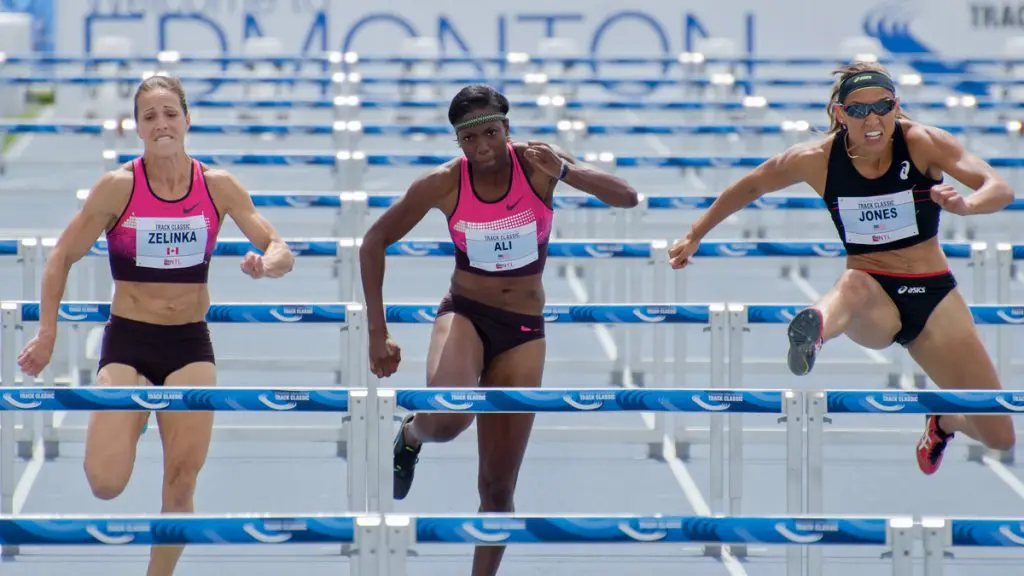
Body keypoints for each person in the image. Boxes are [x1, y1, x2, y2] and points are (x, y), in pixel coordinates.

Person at [668, 62, 1016, 476]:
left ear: (896, 107)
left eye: (882, 107)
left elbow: (1000, 187)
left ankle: (944, 420)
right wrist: (695, 234)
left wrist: (967, 205)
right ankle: (815, 329)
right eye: (858, 110)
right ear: (839, 114)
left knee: (1000, 437)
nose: (872, 120)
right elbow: (752, 185)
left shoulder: (923, 143)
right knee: (853, 284)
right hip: (872, 297)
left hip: (933, 295)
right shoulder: (817, 159)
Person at [17, 74, 295, 575]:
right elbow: (60, 257)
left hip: (189, 345)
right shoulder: (119, 188)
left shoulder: (218, 186)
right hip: (128, 341)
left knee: (181, 481)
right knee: (105, 482)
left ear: (188, 120)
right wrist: (48, 334)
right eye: (150, 116)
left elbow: (279, 247)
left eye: (171, 114)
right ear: (138, 129)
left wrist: (266, 263)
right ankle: (136, 414)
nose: (162, 124)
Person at [359, 84, 639, 575]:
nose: (482, 147)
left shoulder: (539, 165)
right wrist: (376, 333)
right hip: (465, 312)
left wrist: (566, 171)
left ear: (507, 129)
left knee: (497, 487)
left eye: (491, 132)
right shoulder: (444, 183)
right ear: (458, 143)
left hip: (524, 329)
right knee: (447, 421)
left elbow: (628, 197)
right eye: (469, 140)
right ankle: (412, 434)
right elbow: (374, 240)